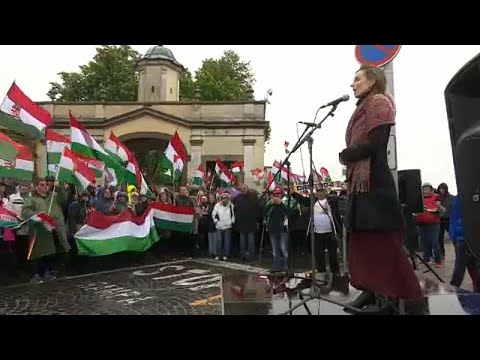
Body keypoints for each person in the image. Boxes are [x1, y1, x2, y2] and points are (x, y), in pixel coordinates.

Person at [339, 64, 422, 313]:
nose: (352, 84)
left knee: (383, 242)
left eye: (357, 79)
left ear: (372, 81)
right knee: (364, 240)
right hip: (361, 184)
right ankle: (371, 291)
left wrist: (347, 154)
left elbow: (375, 145)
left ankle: (392, 298)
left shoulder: (379, 103)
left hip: (375, 184)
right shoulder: (363, 107)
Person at [449, 195, 479, 292]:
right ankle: (452, 292)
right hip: (462, 237)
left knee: (473, 267)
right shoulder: (459, 198)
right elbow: (454, 218)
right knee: (459, 269)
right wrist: (455, 237)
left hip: (471, 237)